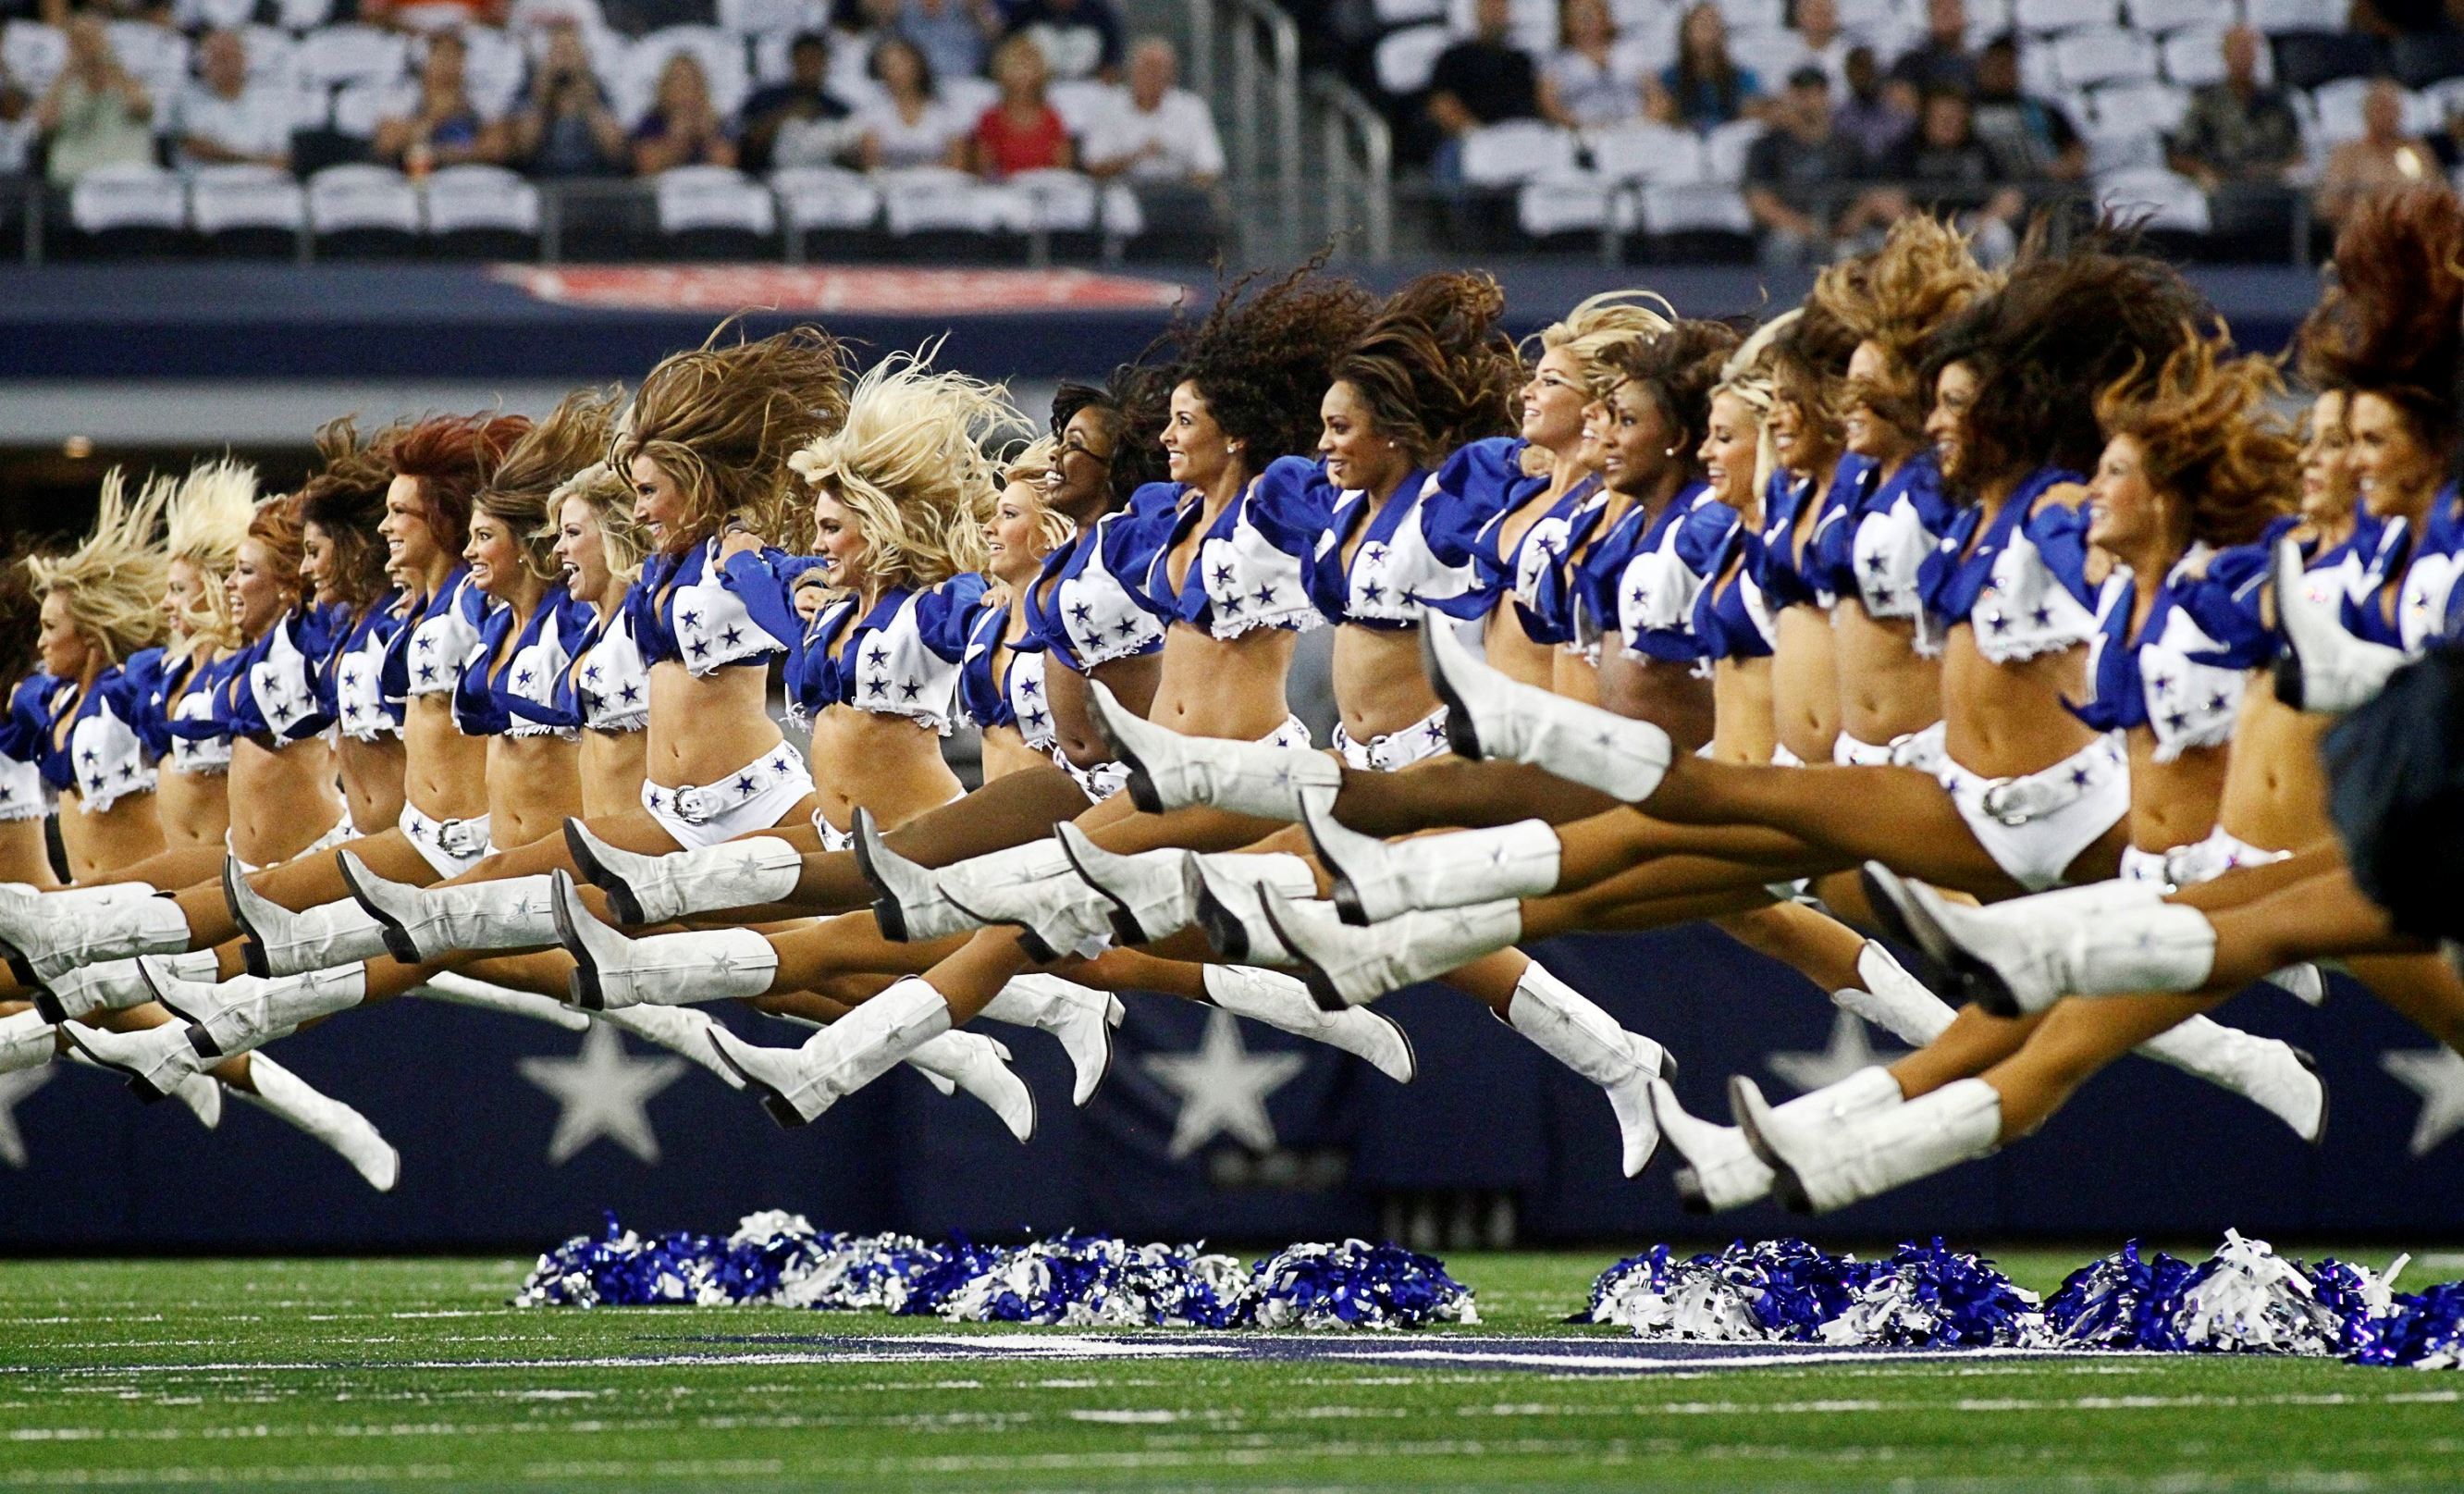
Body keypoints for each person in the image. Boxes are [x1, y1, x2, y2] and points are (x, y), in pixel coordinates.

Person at [1861, 88, 2025, 265]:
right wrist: (1920, 227)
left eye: (1958, 119)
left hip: (1971, 227)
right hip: (1917, 228)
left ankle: (1997, 289)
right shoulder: (1906, 149)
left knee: (1998, 236)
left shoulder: (1979, 148)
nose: (1952, 124)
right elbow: (1883, 197)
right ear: (1926, 118)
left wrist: (1984, 220)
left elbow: (2011, 196)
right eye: (1944, 119)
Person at [1743, 67, 1870, 268]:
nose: (1809, 102)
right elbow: (1759, 202)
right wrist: (1809, 229)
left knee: (1855, 250)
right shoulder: (1768, 146)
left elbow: (1870, 192)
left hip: (1839, 230)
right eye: (1801, 94)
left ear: (1827, 97)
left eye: (1816, 93)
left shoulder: (1849, 147)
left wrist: (1853, 220)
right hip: (1789, 229)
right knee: (1786, 244)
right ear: (1789, 97)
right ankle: (1779, 298)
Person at [2165, 25, 2305, 191]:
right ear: (2225, 55)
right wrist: (2202, 172)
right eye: (2237, 51)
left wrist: (2277, 171)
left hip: (2272, 186)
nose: (2242, 57)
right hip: (2224, 186)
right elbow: (2179, 155)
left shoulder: (2277, 101)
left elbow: (2297, 154)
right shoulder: (2205, 102)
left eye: (2248, 50)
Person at [1080, 37, 1223, 189]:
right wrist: (1138, 155)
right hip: (1122, 192)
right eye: (1146, 69)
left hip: (1179, 193)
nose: (1152, 77)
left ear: (1172, 75)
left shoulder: (1192, 107)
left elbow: (1211, 167)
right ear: (1131, 71)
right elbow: (1093, 165)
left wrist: (1182, 183)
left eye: (1159, 70)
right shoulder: (1108, 106)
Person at [33, 16, 154, 187]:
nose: (86, 47)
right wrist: (66, 72)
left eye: (91, 39)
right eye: (79, 41)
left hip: (127, 177)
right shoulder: (62, 89)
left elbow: (142, 108)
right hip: (75, 179)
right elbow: (43, 124)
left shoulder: (129, 82)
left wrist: (109, 61)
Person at [1426, 0, 1539, 181]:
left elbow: (1538, 104)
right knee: (1454, 159)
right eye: (1490, 8)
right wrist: (1477, 136)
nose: (1495, 15)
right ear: (1477, 13)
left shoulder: (1522, 60)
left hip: (1518, 139)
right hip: (1469, 138)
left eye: (1501, 9)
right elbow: (1441, 104)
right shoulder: (1453, 57)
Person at [374, 31, 510, 175]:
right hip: (418, 176)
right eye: (441, 57)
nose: (448, 66)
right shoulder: (404, 95)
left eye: (455, 58)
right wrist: (437, 115)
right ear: (425, 62)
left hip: (471, 174)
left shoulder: (481, 95)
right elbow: (386, 145)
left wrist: (443, 155)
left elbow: (499, 147)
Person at [508, 19, 629, 178]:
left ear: (584, 55)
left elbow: (616, 150)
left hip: (595, 183)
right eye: (558, 50)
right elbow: (521, 148)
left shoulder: (599, 91)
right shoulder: (530, 90)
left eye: (571, 50)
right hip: (543, 182)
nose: (565, 58)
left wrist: (587, 97)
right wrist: (542, 97)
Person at [2315, 79, 2436, 233]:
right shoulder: (2347, 154)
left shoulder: (2416, 151)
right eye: (2382, 108)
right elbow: (2328, 204)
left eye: (2394, 109)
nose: (2389, 115)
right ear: (2367, 112)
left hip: (2410, 236)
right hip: (2361, 237)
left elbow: (2434, 193)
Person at [171, 29, 292, 173]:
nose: (226, 65)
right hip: (209, 186)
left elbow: (283, 157)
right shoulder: (187, 99)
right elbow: (198, 148)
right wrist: (256, 161)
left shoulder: (270, 99)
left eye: (231, 56)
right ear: (203, 64)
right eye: (217, 58)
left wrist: (255, 163)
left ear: (245, 59)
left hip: (263, 186)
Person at [1967, 37, 2083, 183]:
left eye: (2008, 64)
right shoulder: (1966, 110)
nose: (2002, 71)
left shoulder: (2042, 109)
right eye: (1996, 64)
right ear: (1982, 67)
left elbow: (2075, 149)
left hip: (2044, 188)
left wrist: (2064, 168)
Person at [737, 31, 853, 175]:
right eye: (804, 60)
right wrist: (786, 115)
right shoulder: (765, 98)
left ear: (826, 63)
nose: (810, 67)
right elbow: (745, 143)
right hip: (769, 178)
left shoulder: (839, 108)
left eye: (816, 60)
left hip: (826, 181)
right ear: (793, 61)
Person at [854, 36, 968, 170]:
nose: (895, 72)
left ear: (918, 64)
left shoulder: (946, 109)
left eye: (900, 64)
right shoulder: (873, 111)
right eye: (887, 66)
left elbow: (958, 164)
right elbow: (872, 165)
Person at [1645, 2, 1765, 130]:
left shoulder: (1742, 76)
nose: (1708, 33)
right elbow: (1663, 120)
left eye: (1713, 26)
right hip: (1684, 141)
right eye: (1702, 26)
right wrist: (1655, 94)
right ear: (1687, 32)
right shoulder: (1671, 76)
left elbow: (1751, 120)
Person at [970, 34, 1071, 178]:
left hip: (1046, 192)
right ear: (1003, 71)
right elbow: (983, 172)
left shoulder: (1052, 117)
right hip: (1004, 194)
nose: (1023, 73)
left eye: (1029, 66)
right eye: (1017, 66)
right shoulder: (990, 119)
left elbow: (1063, 171)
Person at [1538, 0, 1643, 131]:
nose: (1587, 22)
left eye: (1591, 14)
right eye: (1579, 16)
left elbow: (1657, 98)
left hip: (1634, 130)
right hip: (1580, 134)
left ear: (1605, 16)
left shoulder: (1629, 53)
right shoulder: (1557, 62)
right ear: (1567, 23)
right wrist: (1581, 126)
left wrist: (1639, 125)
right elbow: (1549, 105)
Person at [631, 53, 737, 174]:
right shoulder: (651, 122)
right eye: (677, 80)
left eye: (692, 80)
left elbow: (728, 166)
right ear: (664, 87)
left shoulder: (718, 121)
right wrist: (677, 141)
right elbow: (647, 167)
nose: (685, 86)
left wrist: (708, 137)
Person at [1830, 43, 1911, 171]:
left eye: (1867, 68)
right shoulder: (1840, 115)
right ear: (1848, 74)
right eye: (1857, 70)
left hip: (1893, 176)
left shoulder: (1897, 111)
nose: (1863, 76)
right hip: (1853, 179)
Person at [1001, 0, 1123, 84]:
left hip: (1087, 89)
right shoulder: (1025, 13)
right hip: (1034, 91)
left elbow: (1113, 58)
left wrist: (1108, 72)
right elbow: (1004, 52)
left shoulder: (1100, 14)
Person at [1887, 0, 1972, 105]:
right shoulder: (1911, 64)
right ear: (1930, 17)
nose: (1947, 14)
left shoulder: (1982, 63)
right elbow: (1899, 101)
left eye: (1953, 8)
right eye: (1941, 9)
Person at [898, 0, 1002, 83]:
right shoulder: (903, 6)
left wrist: (979, 8)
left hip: (966, 81)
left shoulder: (968, 4)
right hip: (917, 85)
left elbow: (996, 35)